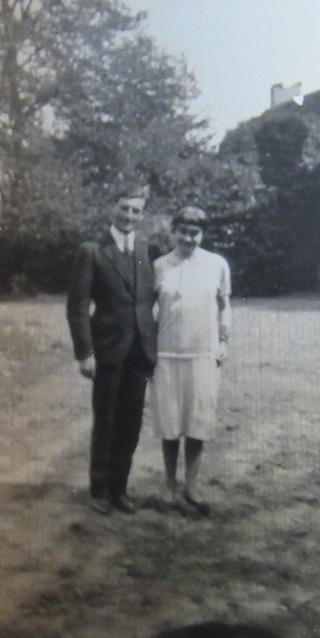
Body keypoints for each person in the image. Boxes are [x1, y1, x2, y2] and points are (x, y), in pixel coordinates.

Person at [66, 186, 158, 516]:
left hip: (140, 353)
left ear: (142, 215)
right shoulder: (91, 251)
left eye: (135, 211)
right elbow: (77, 306)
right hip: (107, 349)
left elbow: (152, 300)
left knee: (130, 422)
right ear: (112, 209)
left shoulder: (147, 251)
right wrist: (84, 353)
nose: (129, 215)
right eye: (124, 208)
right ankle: (100, 490)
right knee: (105, 420)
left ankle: (120, 489)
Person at [151, 205, 231, 515]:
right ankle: (170, 486)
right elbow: (149, 311)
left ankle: (191, 487)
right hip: (167, 353)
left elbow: (225, 305)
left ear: (203, 234)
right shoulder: (159, 266)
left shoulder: (217, 265)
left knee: (198, 422)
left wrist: (223, 340)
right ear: (174, 231)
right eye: (183, 231)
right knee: (170, 423)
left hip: (203, 352)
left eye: (195, 232)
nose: (189, 238)